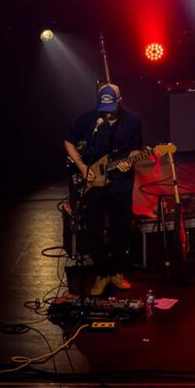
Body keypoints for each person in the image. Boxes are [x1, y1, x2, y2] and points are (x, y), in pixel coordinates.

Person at [63, 83, 143, 296]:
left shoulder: (133, 121)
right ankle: (101, 273)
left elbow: (136, 149)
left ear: (120, 100)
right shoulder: (89, 119)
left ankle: (116, 272)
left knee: (121, 228)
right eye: (103, 108)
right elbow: (68, 142)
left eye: (111, 108)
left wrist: (131, 161)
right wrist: (81, 166)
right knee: (93, 228)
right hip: (93, 183)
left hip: (120, 182)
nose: (107, 114)